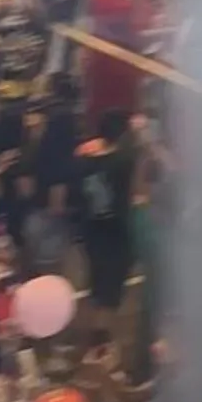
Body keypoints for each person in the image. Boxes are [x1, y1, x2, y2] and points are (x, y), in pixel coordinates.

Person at [77, 109, 137, 325]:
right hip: (115, 234)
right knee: (110, 292)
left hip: (92, 231)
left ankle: (96, 333)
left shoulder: (85, 161)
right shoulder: (123, 163)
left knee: (97, 285)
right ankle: (101, 342)